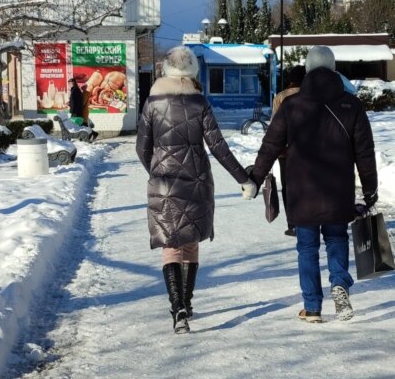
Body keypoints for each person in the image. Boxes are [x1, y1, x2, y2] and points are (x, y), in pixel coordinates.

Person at [247, 45, 378, 323]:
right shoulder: (351, 105)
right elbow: (364, 152)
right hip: (337, 189)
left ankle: (313, 307)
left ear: (306, 70)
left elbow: (270, 145)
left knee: (307, 248)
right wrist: (370, 190)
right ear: (334, 69)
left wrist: (256, 179)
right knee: (336, 238)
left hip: (302, 190)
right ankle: (340, 284)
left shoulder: (292, 106)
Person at [137, 46, 257, 334]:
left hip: (164, 182)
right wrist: (244, 178)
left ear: (166, 69)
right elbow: (218, 146)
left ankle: (177, 306)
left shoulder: (152, 103)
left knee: (171, 245)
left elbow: (142, 147)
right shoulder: (199, 102)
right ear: (192, 71)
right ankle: (187, 302)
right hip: (197, 179)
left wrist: (157, 171)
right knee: (190, 241)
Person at [270, 65, 306, 237]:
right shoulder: (311, 95)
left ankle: (292, 223)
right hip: (307, 150)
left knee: (287, 187)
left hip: (285, 151)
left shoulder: (281, 97)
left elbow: (275, 126)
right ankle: (308, 220)